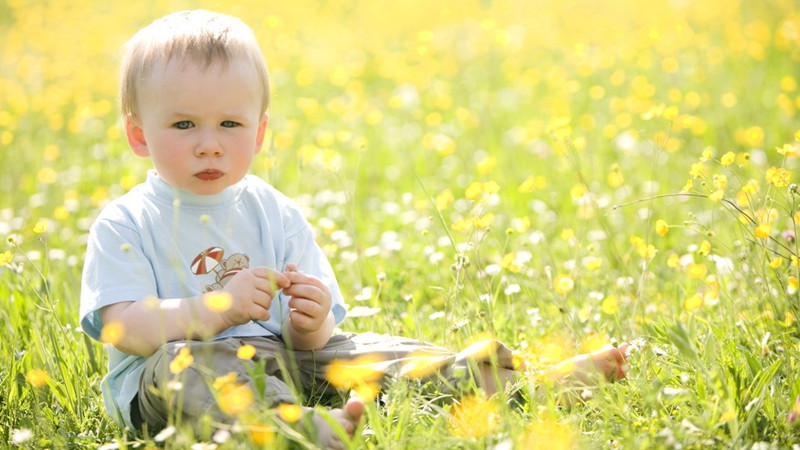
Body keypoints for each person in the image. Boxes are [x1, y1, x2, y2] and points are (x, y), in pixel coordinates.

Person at [79, 9, 628, 448]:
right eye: (183, 124)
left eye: (230, 123)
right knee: (188, 366)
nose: (209, 142)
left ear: (260, 132)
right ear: (139, 136)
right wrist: (214, 310)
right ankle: (292, 428)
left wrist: (309, 322)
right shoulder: (128, 220)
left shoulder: (274, 210)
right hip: (169, 377)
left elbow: (313, 343)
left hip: (284, 357)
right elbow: (122, 329)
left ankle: (521, 384)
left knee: (370, 351)